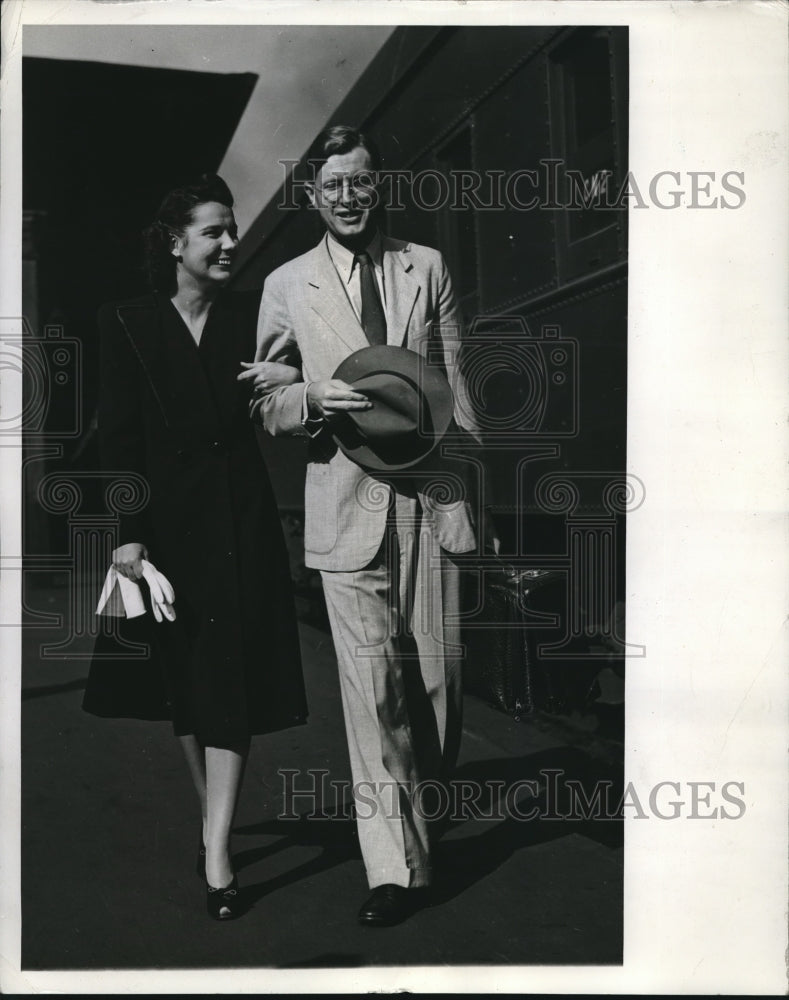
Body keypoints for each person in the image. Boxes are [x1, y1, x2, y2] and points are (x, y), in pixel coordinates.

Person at [253, 125, 498, 926]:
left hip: (429, 499)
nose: (347, 198)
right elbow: (264, 397)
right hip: (344, 501)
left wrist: (470, 491)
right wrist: (306, 401)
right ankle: (394, 869)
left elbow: (454, 380)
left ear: (378, 185)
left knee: (436, 684)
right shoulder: (288, 284)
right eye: (332, 187)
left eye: (359, 183)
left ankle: (420, 819)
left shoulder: (423, 266)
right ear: (311, 196)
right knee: (371, 692)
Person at [82, 175, 307, 920]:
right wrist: (128, 535)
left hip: (238, 522)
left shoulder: (252, 318)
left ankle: (216, 850)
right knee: (183, 680)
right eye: (214, 231)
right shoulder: (125, 322)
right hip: (163, 528)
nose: (229, 243)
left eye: (232, 229)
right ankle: (213, 815)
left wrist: (293, 377)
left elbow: (284, 402)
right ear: (175, 243)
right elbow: (118, 435)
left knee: (230, 678)